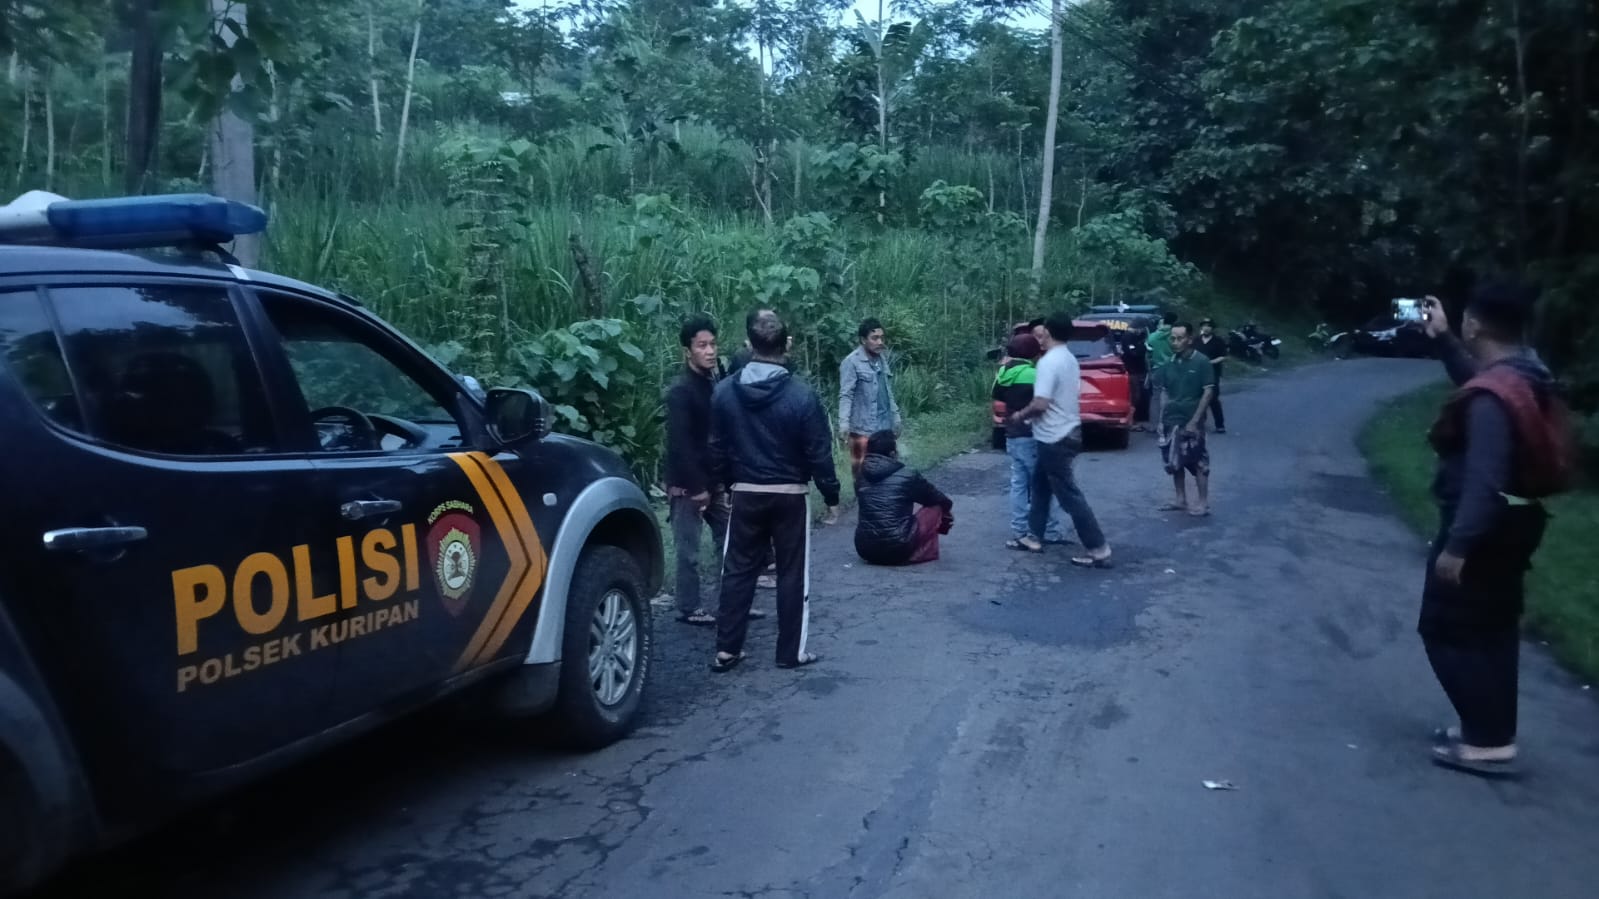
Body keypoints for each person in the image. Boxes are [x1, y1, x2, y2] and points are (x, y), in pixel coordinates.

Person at [1418, 284, 1574, 777]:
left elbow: (1483, 480)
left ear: (1477, 325)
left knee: (1446, 629)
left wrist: (1457, 547)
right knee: (1492, 630)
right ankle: (1488, 731)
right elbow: (1480, 387)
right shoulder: (1525, 374)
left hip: (1485, 529)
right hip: (1517, 520)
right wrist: (1443, 341)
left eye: (1464, 320)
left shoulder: (1495, 394)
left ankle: (1486, 741)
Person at [709, 310, 841, 672]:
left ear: (749, 345)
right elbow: (818, 452)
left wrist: (720, 487)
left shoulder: (724, 392)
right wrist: (831, 496)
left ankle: (726, 650)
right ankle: (789, 652)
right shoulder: (803, 395)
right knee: (791, 572)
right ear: (789, 345)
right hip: (790, 494)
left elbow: (716, 448)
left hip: (745, 492)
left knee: (737, 571)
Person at [663, 314, 752, 626]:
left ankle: (734, 600)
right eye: (702, 346)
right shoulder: (680, 391)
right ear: (687, 351)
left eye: (713, 344)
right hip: (688, 484)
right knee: (688, 550)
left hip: (714, 480)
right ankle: (689, 608)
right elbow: (680, 444)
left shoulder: (714, 382)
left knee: (730, 541)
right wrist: (697, 487)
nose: (710, 351)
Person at [1008, 312, 1113, 567]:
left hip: (1054, 436)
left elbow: (1041, 403)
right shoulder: (1069, 358)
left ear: (1049, 332)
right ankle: (1033, 536)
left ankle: (1098, 548)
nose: (1039, 337)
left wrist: (1020, 415)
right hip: (1067, 431)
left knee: (1069, 495)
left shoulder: (1048, 362)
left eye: (1042, 332)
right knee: (1040, 485)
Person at [991, 332, 1068, 548]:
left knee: (1019, 483)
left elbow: (997, 395)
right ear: (1033, 352)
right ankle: (1048, 531)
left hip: (1013, 434)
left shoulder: (1004, 372)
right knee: (1044, 485)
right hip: (1034, 434)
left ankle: (1020, 530)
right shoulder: (1034, 373)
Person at [854, 431, 954, 566]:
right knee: (937, 506)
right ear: (892, 453)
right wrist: (947, 512)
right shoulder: (907, 475)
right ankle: (922, 550)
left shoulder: (860, 475)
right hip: (899, 548)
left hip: (865, 549)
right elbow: (936, 498)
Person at [1152, 322, 1216, 517]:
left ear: (1189, 340)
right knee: (1174, 461)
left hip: (1191, 419)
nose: (1175, 342)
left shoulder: (1202, 362)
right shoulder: (1170, 363)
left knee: (1198, 461)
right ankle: (1180, 499)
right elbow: (1164, 391)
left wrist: (1195, 421)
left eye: (1180, 338)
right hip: (1172, 419)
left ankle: (1203, 503)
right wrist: (1161, 419)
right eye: (1172, 338)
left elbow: (1208, 392)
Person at [839, 317, 902, 485]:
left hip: (885, 428)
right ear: (863, 340)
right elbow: (846, 394)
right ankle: (865, 509)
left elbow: (888, 392)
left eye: (882, 337)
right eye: (875, 338)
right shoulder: (851, 362)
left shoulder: (881, 360)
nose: (880, 342)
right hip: (863, 430)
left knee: (890, 473)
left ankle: (886, 508)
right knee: (863, 477)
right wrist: (844, 424)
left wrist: (896, 417)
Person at [1146, 312, 1177, 444]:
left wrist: (1149, 371)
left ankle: (1154, 425)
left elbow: (1148, 355)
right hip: (1174, 369)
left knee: (1156, 397)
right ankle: (1171, 424)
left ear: (1163, 322)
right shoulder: (1176, 336)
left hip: (1157, 370)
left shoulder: (1152, 337)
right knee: (1173, 397)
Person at [1195, 318, 1228, 433]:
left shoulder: (1218, 341)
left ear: (1212, 328)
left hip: (1213, 373)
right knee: (1198, 398)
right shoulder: (1196, 340)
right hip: (1197, 373)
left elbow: (1223, 356)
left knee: (1213, 399)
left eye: (1209, 326)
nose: (1206, 328)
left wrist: (1211, 362)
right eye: (1204, 325)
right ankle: (1200, 421)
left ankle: (1220, 424)